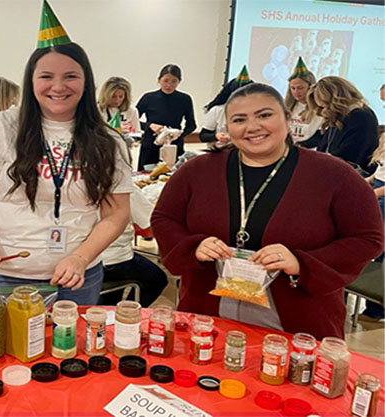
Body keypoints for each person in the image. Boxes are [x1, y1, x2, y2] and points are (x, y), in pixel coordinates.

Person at [151, 82, 384, 340]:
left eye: (264, 115)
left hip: (298, 319)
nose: (252, 127)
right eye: (239, 119)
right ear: (227, 127)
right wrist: (193, 246)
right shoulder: (197, 171)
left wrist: (301, 263)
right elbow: (164, 219)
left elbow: (367, 239)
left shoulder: (334, 175)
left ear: (287, 119)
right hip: (206, 314)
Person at [0, 2, 131, 305]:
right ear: (31, 81)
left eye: (71, 76)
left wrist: (80, 257)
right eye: (46, 76)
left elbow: (116, 213)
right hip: (4, 271)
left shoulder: (108, 141)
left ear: (86, 81)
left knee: (70, 351)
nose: (58, 86)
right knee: (0, 352)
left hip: (78, 274)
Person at [99, 184, 168, 308]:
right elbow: (150, 229)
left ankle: (110, 308)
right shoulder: (124, 187)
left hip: (81, 257)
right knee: (158, 279)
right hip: (113, 259)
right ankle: (129, 310)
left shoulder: (72, 184)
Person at [307, 76, 379, 176]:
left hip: (353, 176)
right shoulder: (341, 116)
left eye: (325, 105)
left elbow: (351, 156)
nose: (324, 110)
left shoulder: (361, 116)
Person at [136, 64, 196, 171]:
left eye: (174, 81)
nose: (169, 85)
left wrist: (179, 134)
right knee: (146, 175)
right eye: (166, 80)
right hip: (150, 144)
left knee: (172, 177)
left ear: (179, 82)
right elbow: (134, 120)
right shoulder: (148, 98)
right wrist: (150, 125)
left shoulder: (184, 99)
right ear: (159, 80)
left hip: (174, 144)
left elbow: (192, 124)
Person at [359, 132, 385, 322]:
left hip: (382, 195)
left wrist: (375, 193)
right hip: (378, 188)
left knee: (377, 252)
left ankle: (376, 307)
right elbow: (381, 169)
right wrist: (366, 183)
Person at [199, 65, 253, 143]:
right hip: (221, 149)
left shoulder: (255, 113)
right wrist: (216, 136)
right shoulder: (218, 111)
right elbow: (203, 136)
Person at [284, 57, 323, 148]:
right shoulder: (287, 106)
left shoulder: (320, 109)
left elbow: (320, 136)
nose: (296, 92)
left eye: (300, 88)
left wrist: (299, 146)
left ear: (310, 87)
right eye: (293, 88)